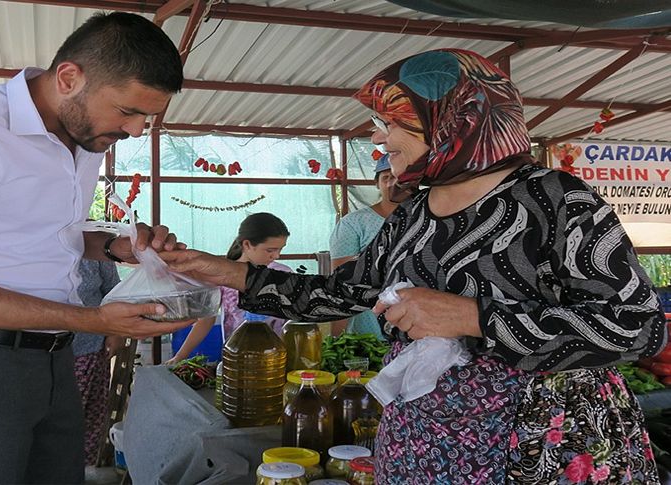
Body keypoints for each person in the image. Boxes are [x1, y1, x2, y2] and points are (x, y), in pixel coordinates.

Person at [160, 49, 668, 484]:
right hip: (424, 436)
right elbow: (345, 292)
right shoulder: (413, 213)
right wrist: (227, 272)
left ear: (459, 121)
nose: (379, 140)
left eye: (394, 124)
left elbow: (637, 327)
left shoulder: (555, 199)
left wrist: (473, 317)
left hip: (542, 441)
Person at [0, 12, 192, 483]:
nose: (134, 130)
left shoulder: (83, 140)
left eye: (146, 118)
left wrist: (116, 247)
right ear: (70, 77)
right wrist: (92, 320)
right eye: (127, 111)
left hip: (50, 359)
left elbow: (52, 236)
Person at [167, 213, 291, 363]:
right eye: (270, 250)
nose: (276, 256)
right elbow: (206, 320)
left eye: (280, 249)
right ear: (247, 245)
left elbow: (293, 320)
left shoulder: (283, 274)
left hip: (275, 358)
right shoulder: (221, 275)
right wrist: (180, 356)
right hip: (236, 358)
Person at [328, 154, 396, 338]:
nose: (392, 183)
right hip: (369, 332)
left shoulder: (427, 220)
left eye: (398, 176)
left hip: (421, 330)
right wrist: (336, 339)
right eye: (386, 177)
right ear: (377, 183)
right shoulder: (353, 224)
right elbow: (342, 284)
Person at [72, 258, 123, 466]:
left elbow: (113, 290)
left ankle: (78, 470)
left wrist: (115, 332)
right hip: (36, 351)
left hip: (89, 346)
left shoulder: (96, 247)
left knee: (87, 417)